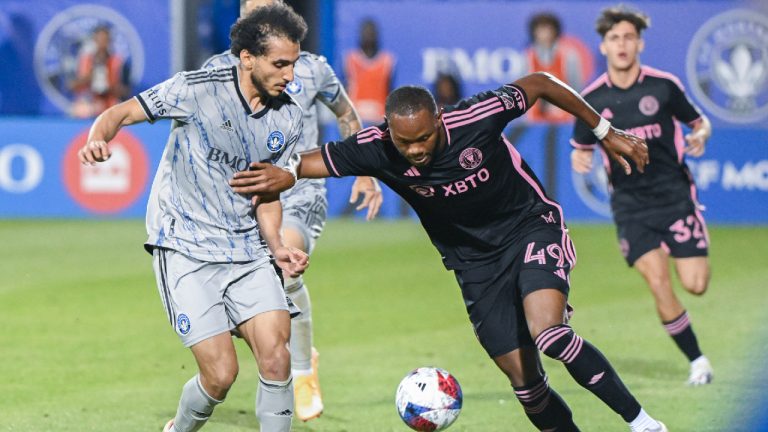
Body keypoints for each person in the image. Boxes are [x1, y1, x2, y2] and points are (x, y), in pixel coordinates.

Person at [230, 71, 674, 431]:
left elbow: (539, 82)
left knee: (549, 333)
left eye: (423, 138)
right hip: (473, 264)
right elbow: (311, 162)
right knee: (527, 386)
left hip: (529, 229)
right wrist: (284, 173)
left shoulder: (475, 118)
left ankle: (643, 424)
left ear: (439, 120)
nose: (416, 151)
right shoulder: (378, 148)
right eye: (405, 143)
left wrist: (603, 130)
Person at [78, 5, 310, 431]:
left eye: (293, 64)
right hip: (185, 246)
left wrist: (277, 247)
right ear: (247, 59)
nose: (290, 75)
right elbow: (117, 114)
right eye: (280, 64)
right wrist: (97, 139)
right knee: (221, 375)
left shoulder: (289, 116)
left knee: (277, 355)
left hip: (246, 250)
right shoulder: (196, 89)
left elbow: (267, 191)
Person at [202, 0, 383, 421]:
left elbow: (346, 113)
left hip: (300, 190)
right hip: (244, 193)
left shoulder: (312, 67)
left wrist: (363, 171)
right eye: (254, 6)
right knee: (246, 292)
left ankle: (302, 374)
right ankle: (289, 353)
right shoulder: (221, 67)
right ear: (243, 14)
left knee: (284, 265)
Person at [570, 5, 714, 386]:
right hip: (631, 206)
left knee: (696, 284)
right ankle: (697, 360)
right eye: (614, 38)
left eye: (628, 37)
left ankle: (689, 237)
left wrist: (700, 135)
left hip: (674, 197)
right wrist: (579, 157)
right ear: (603, 46)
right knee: (657, 282)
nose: (622, 44)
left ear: (639, 43)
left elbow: (700, 123)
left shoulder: (662, 86)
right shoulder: (589, 99)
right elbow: (580, 146)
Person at [343, 18, 396, 125]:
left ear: (377, 35)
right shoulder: (349, 59)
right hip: (355, 119)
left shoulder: (388, 61)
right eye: (365, 32)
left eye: (371, 32)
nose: (368, 36)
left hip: (379, 119)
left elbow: (390, 92)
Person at [69, 25, 128, 118]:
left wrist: (109, 85)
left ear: (110, 42)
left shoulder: (118, 62)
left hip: (110, 103)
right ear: (94, 40)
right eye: (99, 40)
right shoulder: (84, 60)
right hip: (88, 103)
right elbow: (71, 86)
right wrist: (90, 77)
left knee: (117, 110)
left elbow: (126, 91)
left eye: (105, 40)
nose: (102, 44)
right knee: (78, 109)